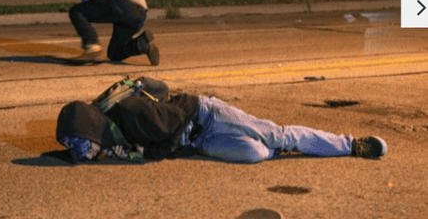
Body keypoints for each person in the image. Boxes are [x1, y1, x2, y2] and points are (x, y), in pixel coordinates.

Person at [56, 77, 388, 164]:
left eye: (83, 146)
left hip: (206, 116)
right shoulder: (103, 129)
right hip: (198, 141)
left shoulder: (132, 114)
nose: (83, 154)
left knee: (278, 135)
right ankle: (282, 148)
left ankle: (350, 145)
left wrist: (145, 153)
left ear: (89, 130)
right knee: (255, 154)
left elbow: (175, 119)